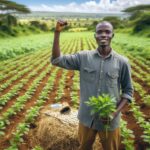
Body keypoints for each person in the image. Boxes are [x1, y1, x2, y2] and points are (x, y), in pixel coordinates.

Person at [51, 20, 133, 150]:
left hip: (110, 121)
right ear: (95, 35)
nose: (103, 35)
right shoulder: (84, 57)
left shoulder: (122, 62)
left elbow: (128, 92)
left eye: (107, 32)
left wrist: (114, 113)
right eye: (100, 32)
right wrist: (57, 33)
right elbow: (56, 60)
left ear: (112, 35)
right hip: (86, 118)